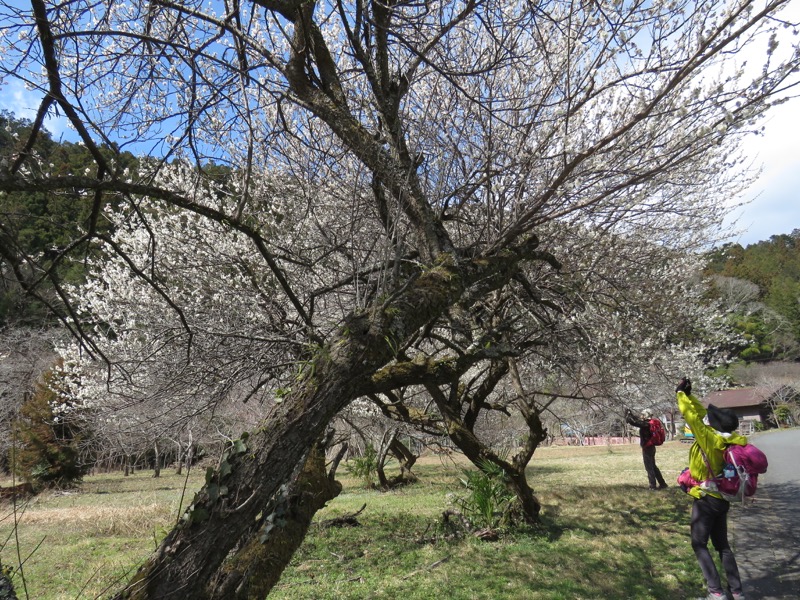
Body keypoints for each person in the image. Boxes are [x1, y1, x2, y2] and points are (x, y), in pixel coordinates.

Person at [676, 377, 747, 600]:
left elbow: (692, 417)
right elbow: (701, 414)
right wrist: (689, 395)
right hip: (722, 498)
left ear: (713, 425)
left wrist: (679, 395)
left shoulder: (708, 438)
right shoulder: (729, 438)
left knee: (698, 543)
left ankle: (715, 592)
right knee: (722, 546)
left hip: (707, 499)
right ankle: (736, 592)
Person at [625, 407, 668, 490]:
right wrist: (631, 415)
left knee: (649, 467)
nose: (641, 416)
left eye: (642, 414)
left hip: (647, 448)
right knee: (653, 466)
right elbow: (637, 421)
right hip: (651, 447)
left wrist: (628, 416)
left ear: (646, 415)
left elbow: (635, 423)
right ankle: (662, 484)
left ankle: (652, 486)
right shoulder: (650, 423)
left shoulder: (646, 425)